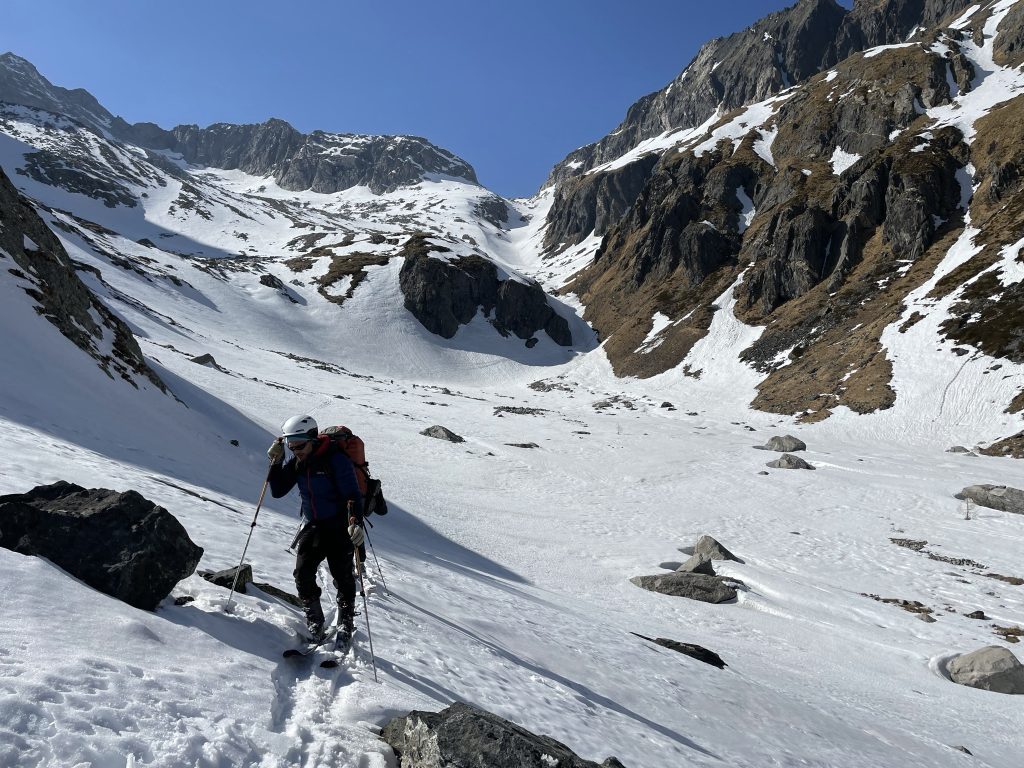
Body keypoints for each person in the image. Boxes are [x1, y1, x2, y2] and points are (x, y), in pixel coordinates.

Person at [267, 415, 364, 642]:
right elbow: (278, 490)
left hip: (340, 527)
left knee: (343, 576)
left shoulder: (337, 460)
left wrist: (355, 522)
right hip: (314, 526)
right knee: (302, 573)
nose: (295, 450)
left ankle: (346, 620)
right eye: (291, 446)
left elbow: (353, 495)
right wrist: (276, 462)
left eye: (299, 446)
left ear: (312, 439)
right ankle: (315, 619)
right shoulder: (300, 462)